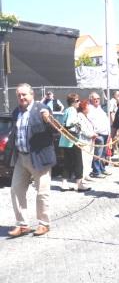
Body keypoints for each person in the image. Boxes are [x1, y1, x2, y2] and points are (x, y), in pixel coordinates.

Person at [7, 83, 56, 237]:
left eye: (24, 94)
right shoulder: (16, 112)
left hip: (39, 157)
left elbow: (54, 130)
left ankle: (44, 223)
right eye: (19, 95)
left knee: (42, 192)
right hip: (21, 157)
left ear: (32, 94)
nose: (21, 98)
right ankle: (23, 225)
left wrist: (48, 119)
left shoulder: (41, 109)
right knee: (16, 190)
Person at [58, 93, 92, 192]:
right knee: (78, 163)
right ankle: (79, 184)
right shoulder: (72, 110)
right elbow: (69, 124)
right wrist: (78, 126)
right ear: (72, 102)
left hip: (65, 141)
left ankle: (64, 184)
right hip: (72, 141)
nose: (79, 102)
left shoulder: (66, 110)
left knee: (67, 163)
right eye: (77, 101)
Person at [88, 92, 111, 178]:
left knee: (103, 154)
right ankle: (96, 171)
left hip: (105, 133)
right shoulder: (89, 109)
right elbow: (89, 122)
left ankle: (102, 169)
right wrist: (93, 133)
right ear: (91, 100)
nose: (97, 100)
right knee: (98, 153)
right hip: (98, 134)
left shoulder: (100, 108)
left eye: (98, 98)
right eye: (95, 99)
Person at [77, 100, 98, 185]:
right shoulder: (80, 116)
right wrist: (91, 135)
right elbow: (83, 129)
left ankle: (87, 174)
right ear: (84, 108)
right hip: (84, 140)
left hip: (90, 140)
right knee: (84, 159)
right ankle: (82, 176)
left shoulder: (86, 116)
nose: (89, 108)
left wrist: (94, 133)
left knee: (89, 158)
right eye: (87, 106)